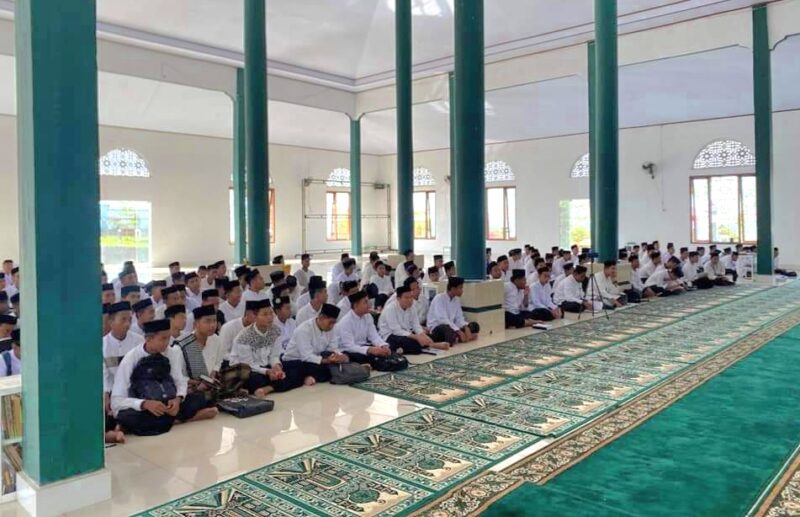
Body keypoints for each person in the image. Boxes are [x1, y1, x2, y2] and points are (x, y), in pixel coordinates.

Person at [111, 319, 217, 436]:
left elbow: (179, 380)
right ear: (148, 339)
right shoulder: (131, 358)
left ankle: (167, 421)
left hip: (168, 402)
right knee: (125, 416)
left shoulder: (172, 352)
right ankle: (184, 419)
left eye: (168, 338)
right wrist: (145, 403)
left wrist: (178, 399)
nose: (167, 342)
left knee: (200, 398)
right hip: (145, 407)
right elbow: (116, 401)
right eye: (163, 339)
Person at [229, 300, 294, 396]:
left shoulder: (275, 330)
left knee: (295, 367)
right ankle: (275, 386)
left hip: (265, 366)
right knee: (255, 379)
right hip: (246, 370)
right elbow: (248, 364)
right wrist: (267, 372)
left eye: (271, 313)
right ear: (255, 317)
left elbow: (274, 356)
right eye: (265, 314)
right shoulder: (244, 337)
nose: (270, 317)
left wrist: (276, 366)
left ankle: (268, 388)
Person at [282, 303, 354, 386]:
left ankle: (311, 376)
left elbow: (333, 348)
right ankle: (305, 377)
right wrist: (326, 360)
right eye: (330, 322)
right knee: (308, 368)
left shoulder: (331, 328)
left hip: (317, 359)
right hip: (296, 361)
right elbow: (306, 356)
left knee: (345, 356)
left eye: (334, 323)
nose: (332, 326)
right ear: (321, 317)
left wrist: (339, 356)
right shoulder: (304, 329)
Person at [337, 290, 392, 366]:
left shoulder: (368, 316)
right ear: (355, 305)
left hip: (364, 346)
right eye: (365, 302)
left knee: (385, 352)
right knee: (367, 356)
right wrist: (369, 349)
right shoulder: (346, 322)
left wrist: (383, 345)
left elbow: (374, 336)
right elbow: (349, 346)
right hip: (350, 350)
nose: (369, 305)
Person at [379, 286, 439, 353]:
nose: (410, 300)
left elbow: (416, 325)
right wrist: (417, 337)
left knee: (428, 336)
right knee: (410, 343)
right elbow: (396, 330)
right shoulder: (390, 309)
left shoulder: (412, 307)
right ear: (398, 298)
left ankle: (403, 349)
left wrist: (423, 335)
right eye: (406, 298)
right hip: (390, 335)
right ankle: (431, 345)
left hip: (406, 333)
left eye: (411, 297)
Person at [176, 306, 225, 386]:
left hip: (210, 385)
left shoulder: (216, 339)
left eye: (214, 321)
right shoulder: (183, 344)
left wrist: (214, 372)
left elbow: (218, 361)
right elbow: (178, 375)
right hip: (189, 387)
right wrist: (197, 383)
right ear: (196, 324)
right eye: (207, 321)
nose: (212, 325)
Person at [427, 277, 478, 345]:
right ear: (453, 289)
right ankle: (458, 337)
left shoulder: (456, 300)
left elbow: (459, 318)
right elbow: (442, 320)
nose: (462, 291)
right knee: (446, 329)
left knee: (474, 326)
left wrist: (465, 327)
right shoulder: (439, 298)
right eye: (460, 288)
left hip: (452, 326)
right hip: (437, 327)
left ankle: (458, 338)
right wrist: (458, 331)